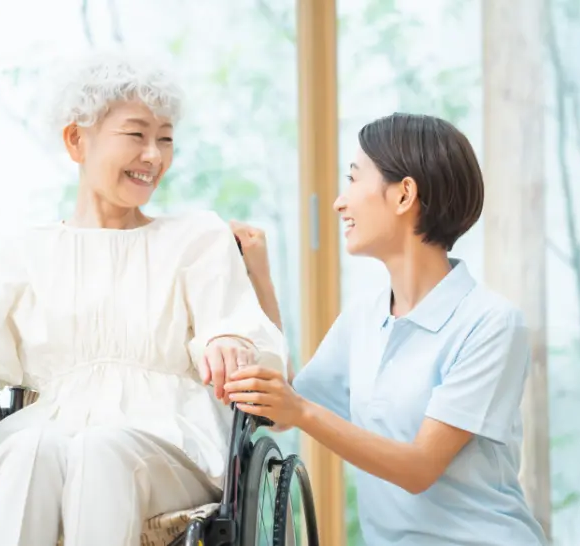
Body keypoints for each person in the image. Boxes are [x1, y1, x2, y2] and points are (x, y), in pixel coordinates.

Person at [0, 52, 287, 546]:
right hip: (47, 430)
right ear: (76, 139)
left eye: (165, 138)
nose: (154, 155)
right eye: (136, 135)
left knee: (100, 450)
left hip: (168, 444)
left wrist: (230, 341)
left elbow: (233, 323)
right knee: (28, 451)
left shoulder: (198, 237)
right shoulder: (30, 249)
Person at [226, 113, 548, 545]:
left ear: (404, 195)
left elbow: (419, 468)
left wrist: (299, 411)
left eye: (354, 179)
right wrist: (259, 277)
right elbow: (283, 404)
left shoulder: (491, 323)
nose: (341, 202)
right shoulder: (364, 317)